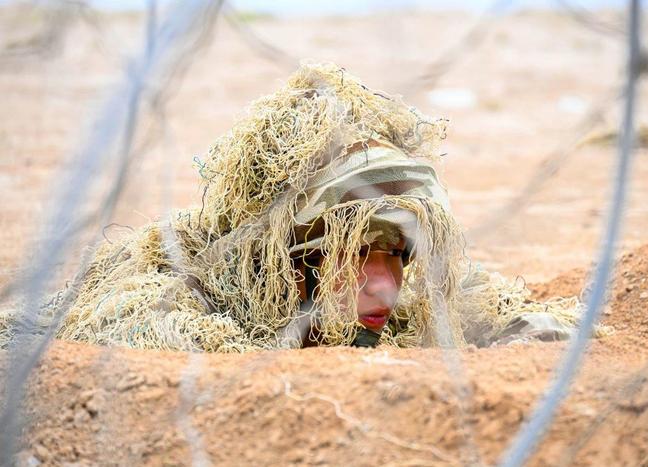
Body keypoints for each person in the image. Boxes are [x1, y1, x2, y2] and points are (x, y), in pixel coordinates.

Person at [48, 63, 599, 352]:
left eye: (398, 255)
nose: (386, 285)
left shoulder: (412, 311)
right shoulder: (185, 298)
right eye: (358, 254)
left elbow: (513, 319)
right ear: (294, 260)